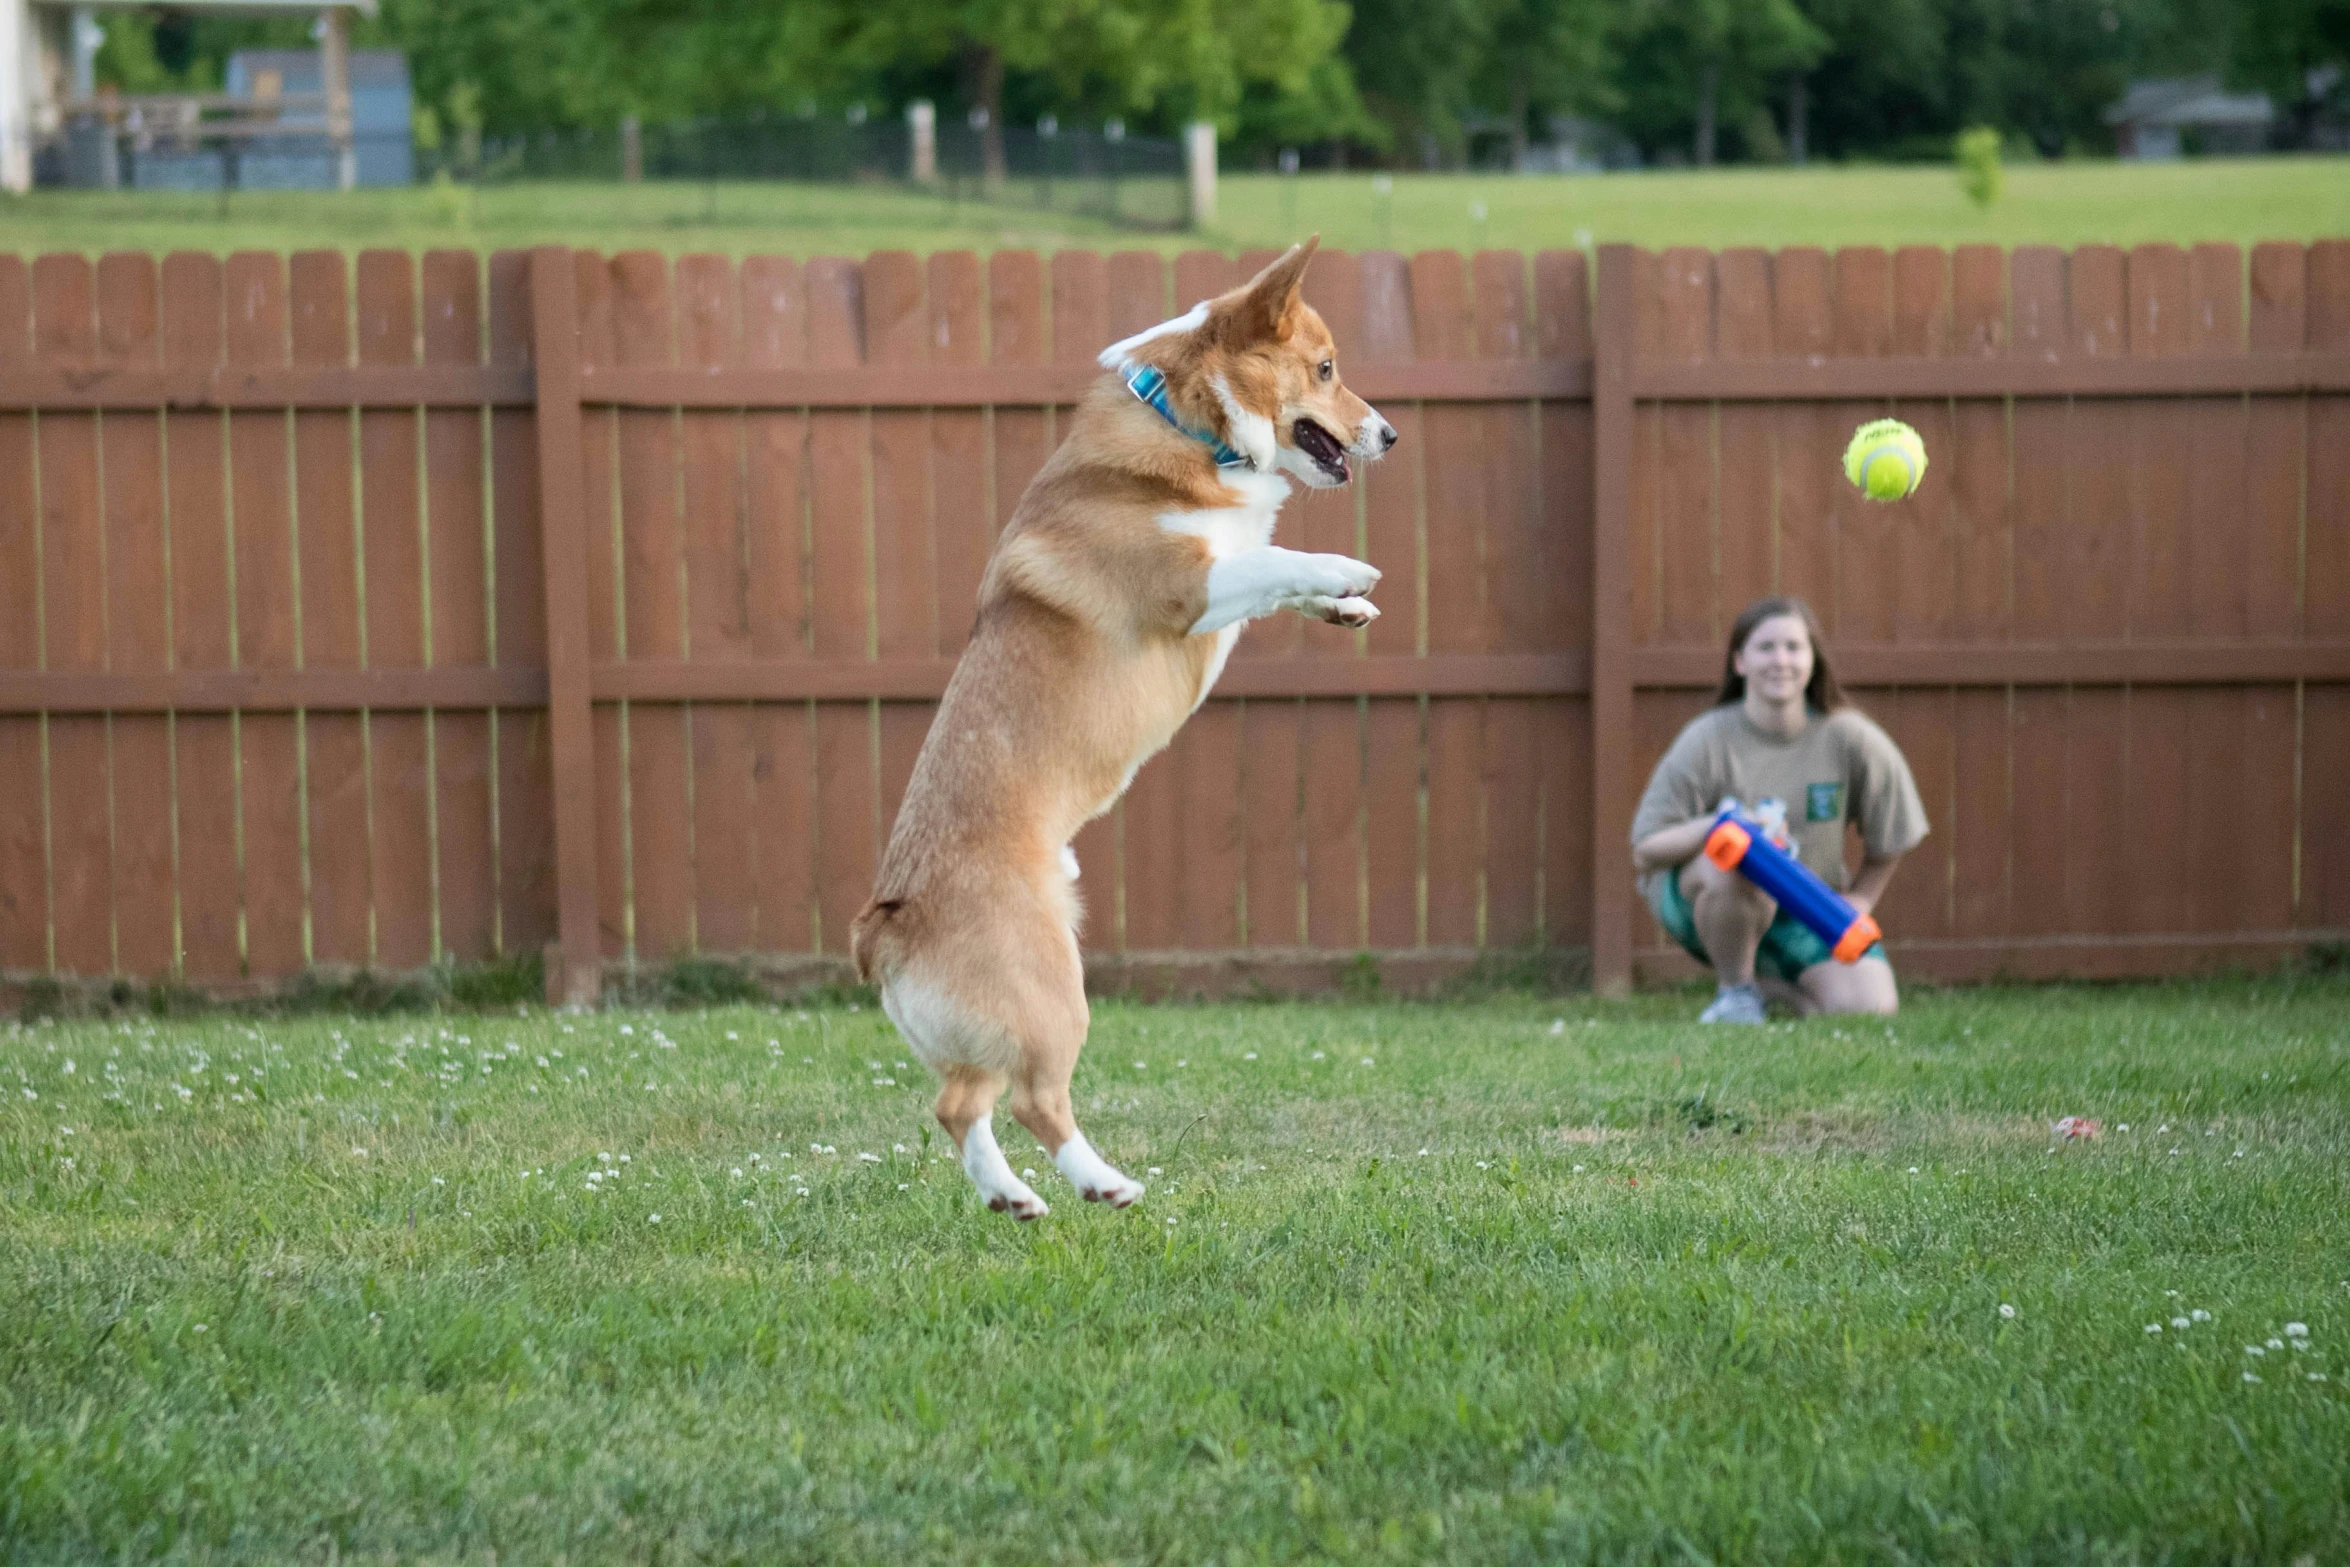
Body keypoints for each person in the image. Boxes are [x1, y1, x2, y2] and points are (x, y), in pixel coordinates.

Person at [1630, 596, 1928, 1023]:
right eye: (1765, 647)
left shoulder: (1852, 738)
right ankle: (1735, 994)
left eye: (1794, 647)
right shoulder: (1707, 738)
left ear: (1813, 661)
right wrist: (1722, 826)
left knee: (1870, 1010)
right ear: (1739, 662)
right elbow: (1645, 848)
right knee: (1730, 858)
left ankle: (1771, 990)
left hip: (1808, 906)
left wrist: (1860, 899)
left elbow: (1893, 836)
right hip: (1712, 898)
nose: (1781, 660)